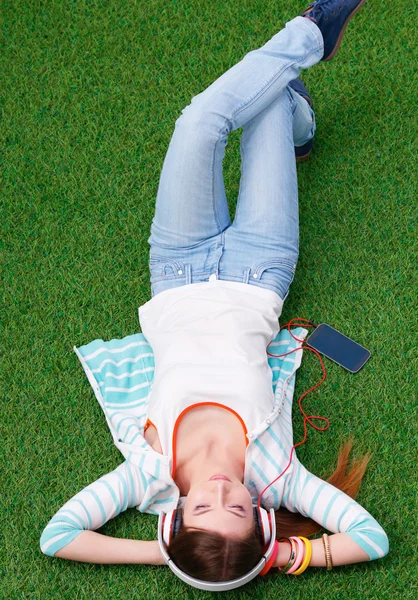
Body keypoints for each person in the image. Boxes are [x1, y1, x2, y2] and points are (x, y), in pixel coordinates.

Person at [40, 0, 389, 586]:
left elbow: (58, 538)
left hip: (176, 269)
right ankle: (291, 109)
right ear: (262, 519)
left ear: (175, 519)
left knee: (200, 121)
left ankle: (308, 39)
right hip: (260, 269)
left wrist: (165, 554)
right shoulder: (278, 476)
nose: (225, 492)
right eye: (239, 511)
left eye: (204, 510)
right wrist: (288, 556)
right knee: (267, 109)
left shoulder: (145, 477)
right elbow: (372, 539)